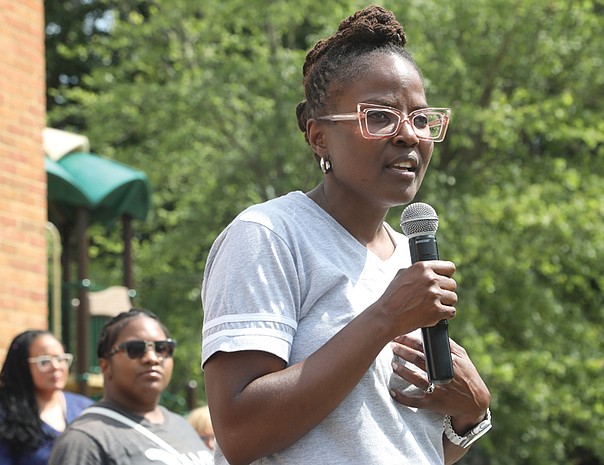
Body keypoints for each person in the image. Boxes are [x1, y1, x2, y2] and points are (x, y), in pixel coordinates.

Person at [201, 5, 492, 465]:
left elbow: (396, 444)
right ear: (319, 138)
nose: (408, 135)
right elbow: (240, 433)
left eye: (420, 119)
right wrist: (384, 318)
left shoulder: (405, 260)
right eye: (379, 116)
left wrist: (469, 416)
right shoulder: (270, 235)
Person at [48, 308, 213, 464]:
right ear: (105, 365)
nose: (152, 358)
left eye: (162, 348)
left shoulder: (181, 425)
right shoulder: (84, 440)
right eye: (135, 349)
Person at [0, 330, 93, 465]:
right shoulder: (0, 417)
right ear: (22, 366)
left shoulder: (85, 409)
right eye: (45, 361)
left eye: (61, 359)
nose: (56, 366)